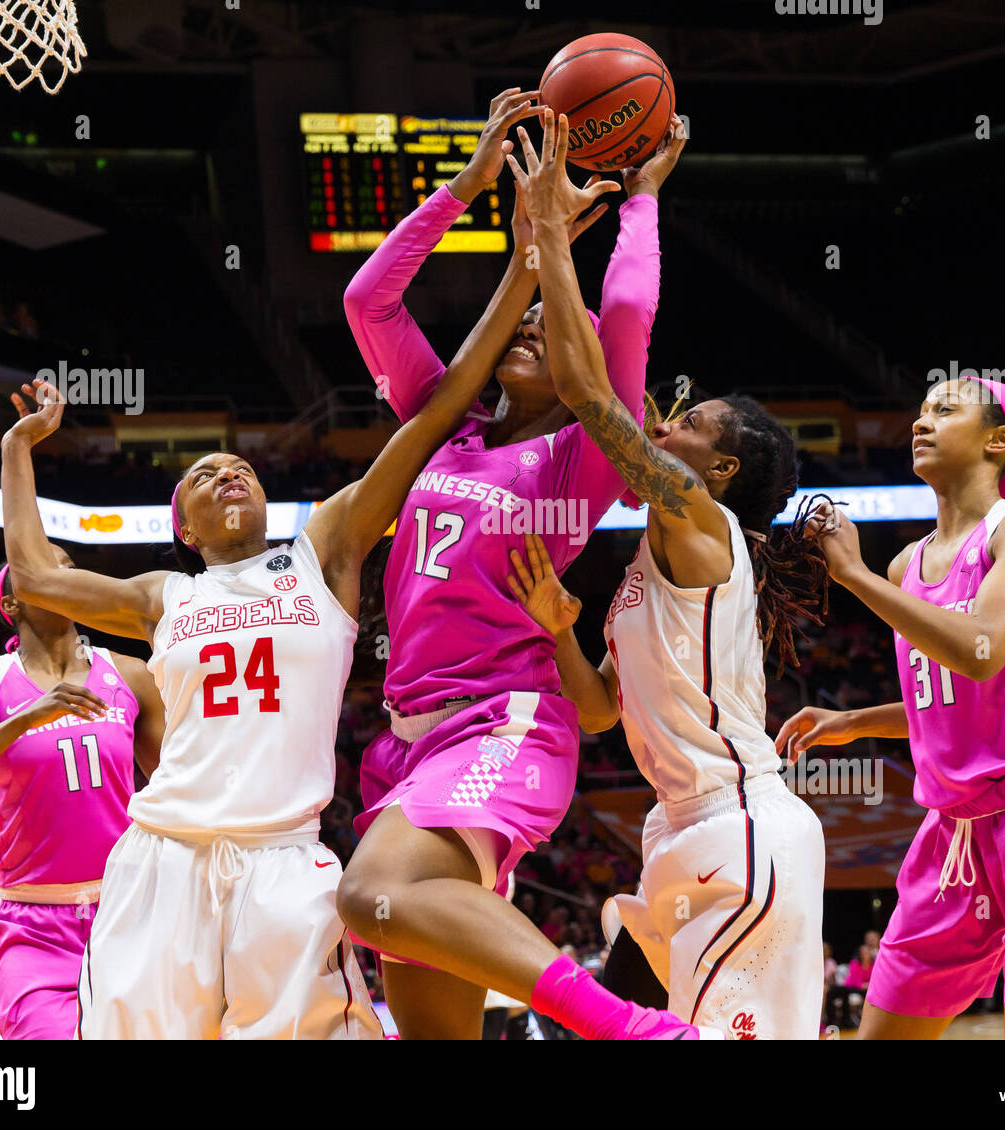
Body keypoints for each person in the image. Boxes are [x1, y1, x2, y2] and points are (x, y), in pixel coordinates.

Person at [0, 111, 564, 1035]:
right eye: (201, 476)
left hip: (282, 865)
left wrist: (526, 266)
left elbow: (443, 406)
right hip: (162, 859)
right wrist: (22, 451)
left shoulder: (328, 550)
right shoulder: (161, 597)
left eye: (242, 468)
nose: (226, 471)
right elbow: (29, 572)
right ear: (181, 526)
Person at [336, 94, 712, 1040]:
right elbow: (368, 300)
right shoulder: (441, 426)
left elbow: (624, 311)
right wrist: (466, 188)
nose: (541, 327)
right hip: (405, 741)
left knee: (368, 892)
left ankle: (634, 1029)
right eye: (533, 317)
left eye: (562, 323)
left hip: (501, 723)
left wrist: (640, 202)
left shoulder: (583, 461)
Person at [502, 110, 828, 1040]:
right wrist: (560, 626)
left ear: (718, 469)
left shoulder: (700, 520)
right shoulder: (655, 564)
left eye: (690, 420)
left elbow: (588, 392)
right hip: (678, 829)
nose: (670, 416)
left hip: (742, 824)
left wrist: (583, 223)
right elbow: (602, 712)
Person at [777, 377, 1005, 1039]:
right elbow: (942, 698)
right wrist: (852, 723)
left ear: (999, 441)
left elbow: (981, 651)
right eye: (920, 411)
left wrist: (851, 576)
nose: (921, 421)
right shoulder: (907, 565)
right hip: (956, 831)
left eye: (945, 410)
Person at [0, 550, 163, 1039]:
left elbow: (179, 787)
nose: (62, 571)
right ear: (11, 602)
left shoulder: (130, 674)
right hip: (35, 923)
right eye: (41, 563)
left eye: (67, 563)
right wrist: (21, 720)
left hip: (128, 909)